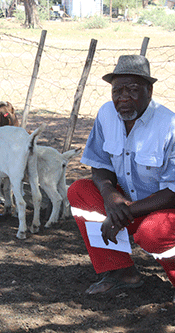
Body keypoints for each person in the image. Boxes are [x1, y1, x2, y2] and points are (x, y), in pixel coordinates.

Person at [67, 54, 175, 298]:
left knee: (153, 232)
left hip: (165, 211)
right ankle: (121, 273)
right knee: (80, 192)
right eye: (117, 90)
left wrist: (126, 210)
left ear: (149, 90)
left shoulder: (170, 125)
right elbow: (99, 163)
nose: (123, 97)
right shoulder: (107, 114)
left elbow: (172, 193)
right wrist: (110, 195)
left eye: (133, 90)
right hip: (128, 206)